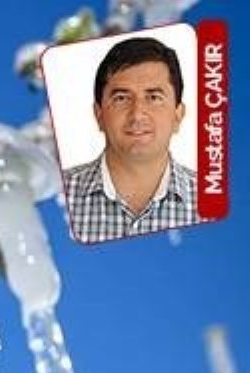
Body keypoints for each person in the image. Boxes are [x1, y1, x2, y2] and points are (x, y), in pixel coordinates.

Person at [60, 36, 199, 243]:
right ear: (99, 115)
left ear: (178, 116)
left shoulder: (207, 200)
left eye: (154, 98)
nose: (137, 114)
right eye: (121, 98)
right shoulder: (60, 193)